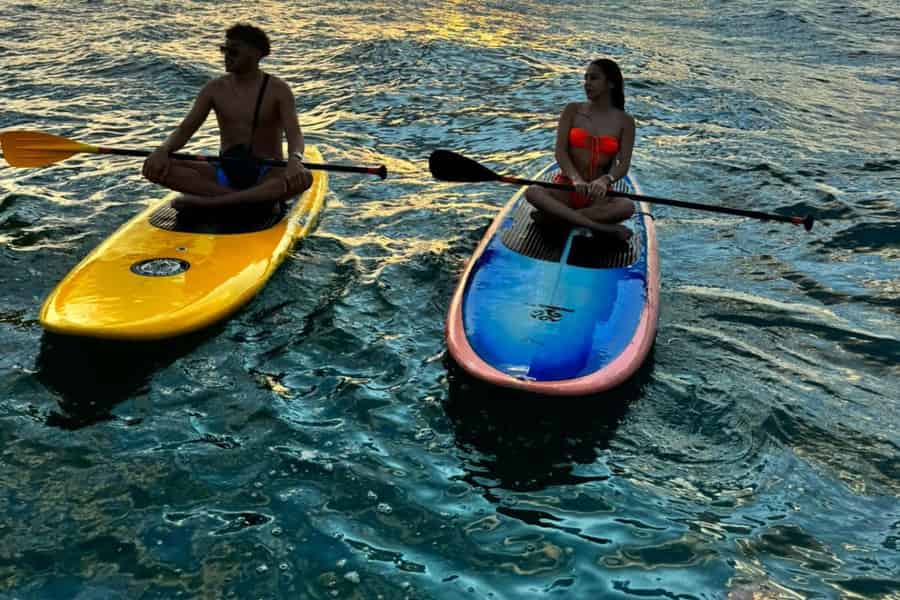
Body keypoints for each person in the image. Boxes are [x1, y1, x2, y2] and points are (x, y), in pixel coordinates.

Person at [142, 24, 312, 218]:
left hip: (266, 171)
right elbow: (184, 130)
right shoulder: (213, 89)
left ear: (255, 54)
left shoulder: (278, 90)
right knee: (155, 168)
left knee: (305, 178)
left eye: (233, 51)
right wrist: (162, 150)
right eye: (224, 50)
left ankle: (215, 202)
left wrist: (295, 160)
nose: (226, 56)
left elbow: (294, 134)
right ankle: (250, 201)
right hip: (225, 169)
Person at [525, 58, 636, 241]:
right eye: (586, 78)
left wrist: (605, 180)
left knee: (627, 206)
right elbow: (560, 152)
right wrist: (575, 179)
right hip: (566, 188)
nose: (587, 83)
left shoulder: (625, 121)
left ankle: (557, 218)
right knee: (532, 192)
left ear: (610, 84)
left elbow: (623, 165)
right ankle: (601, 228)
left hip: (598, 195)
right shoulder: (572, 110)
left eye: (594, 78)